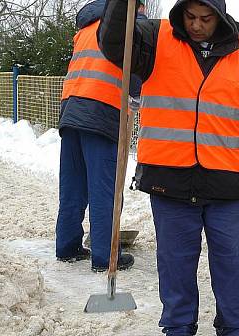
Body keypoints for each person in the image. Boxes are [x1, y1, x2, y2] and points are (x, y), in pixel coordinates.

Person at [98, 0, 239, 336]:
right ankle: (178, 330)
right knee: (175, 259)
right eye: (190, 17)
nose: (197, 25)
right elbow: (113, 45)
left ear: (221, 16)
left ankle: (234, 330)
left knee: (230, 258)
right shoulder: (155, 38)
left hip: (225, 177)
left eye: (206, 18)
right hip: (169, 173)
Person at [55, 0, 143, 273]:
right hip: (102, 111)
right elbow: (135, 60)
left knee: (73, 185)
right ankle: (106, 256)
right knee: (105, 189)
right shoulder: (129, 23)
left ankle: (67, 247)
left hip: (71, 110)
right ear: (135, 7)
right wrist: (137, 92)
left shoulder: (86, 27)